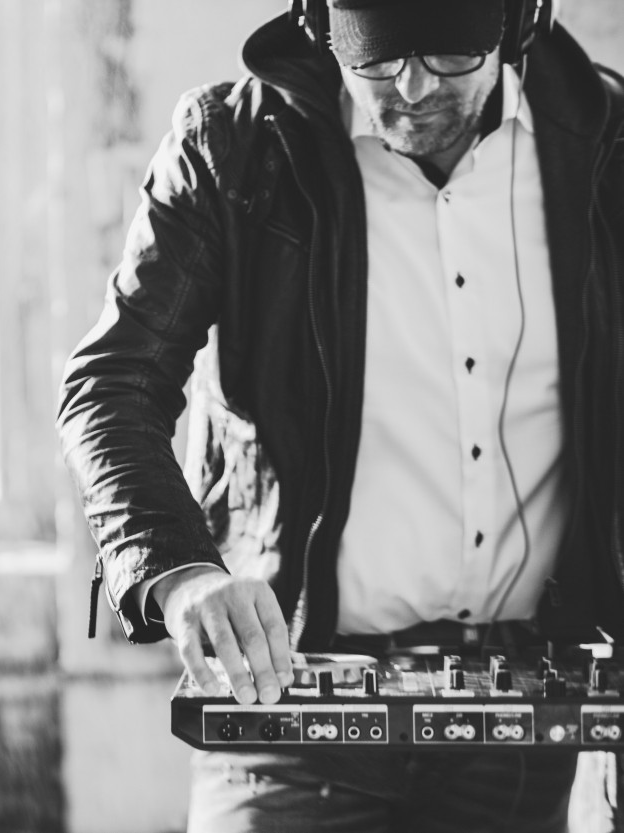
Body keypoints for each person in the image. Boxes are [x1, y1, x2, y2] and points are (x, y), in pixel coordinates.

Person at [57, 0, 624, 830]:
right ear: (319, 22)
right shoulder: (233, 146)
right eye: (376, 60)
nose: (412, 88)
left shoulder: (608, 146)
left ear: (519, 20)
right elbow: (114, 382)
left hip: (522, 726)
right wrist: (181, 572)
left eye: (450, 59)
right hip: (286, 698)